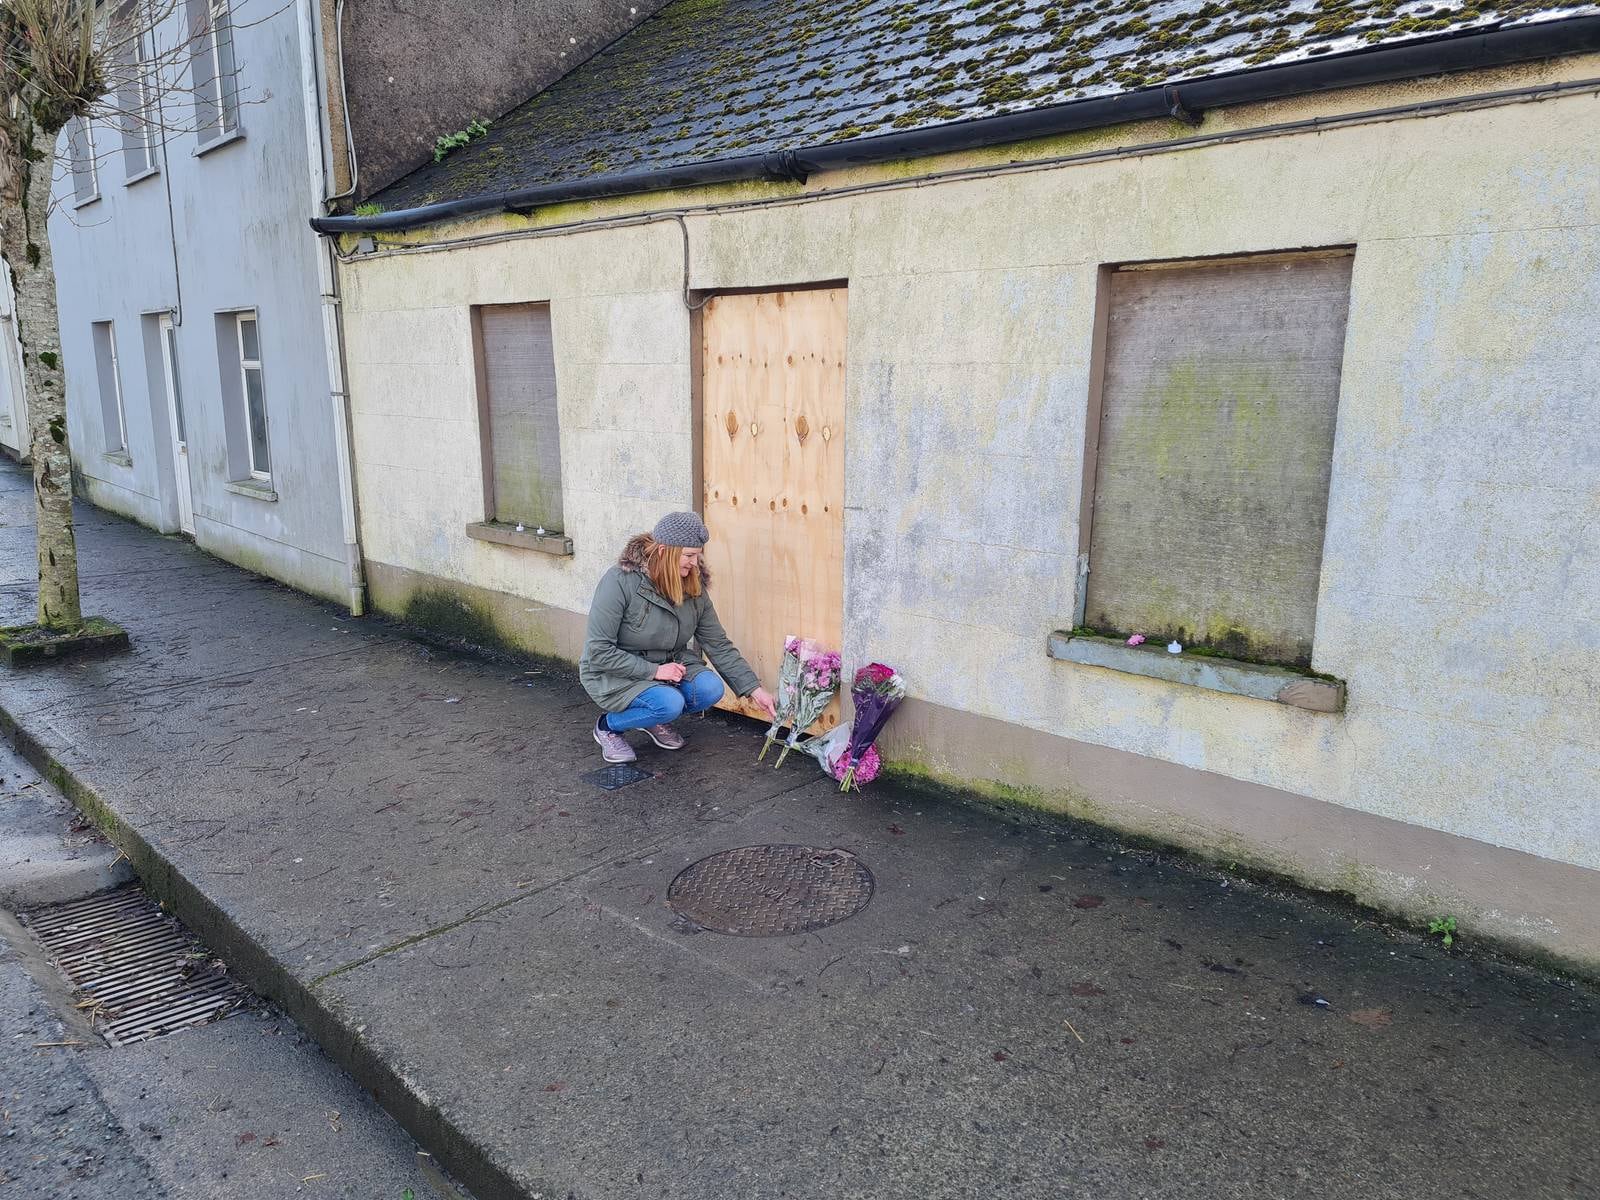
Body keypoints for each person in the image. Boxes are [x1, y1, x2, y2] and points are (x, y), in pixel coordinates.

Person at [580, 512, 776, 764]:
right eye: (689, 555)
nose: (695, 563)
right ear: (664, 550)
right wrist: (655, 671)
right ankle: (608, 726)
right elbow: (598, 652)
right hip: (614, 672)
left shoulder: (693, 587)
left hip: (669, 664)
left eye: (698, 555)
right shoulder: (619, 581)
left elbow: (717, 644)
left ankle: (651, 718)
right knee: (669, 703)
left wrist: (754, 690)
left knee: (710, 689)